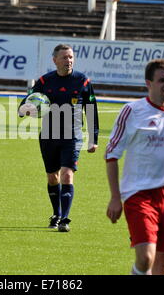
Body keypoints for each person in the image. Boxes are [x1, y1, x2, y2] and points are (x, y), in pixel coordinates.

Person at [105, 59, 164, 275]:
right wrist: (114, 196)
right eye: (162, 80)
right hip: (138, 194)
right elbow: (111, 155)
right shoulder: (132, 111)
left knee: (162, 264)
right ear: (149, 83)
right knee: (146, 257)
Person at [18, 44, 99, 232]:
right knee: (52, 177)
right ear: (55, 60)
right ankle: (56, 213)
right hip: (48, 135)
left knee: (67, 174)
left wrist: (93, 138)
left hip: (72, 135)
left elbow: (91, 110)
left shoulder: (83, 81)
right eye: (64, 57)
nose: (68, 60)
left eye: (70, 57)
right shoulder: (44, 82)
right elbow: (26, 103)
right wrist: (25, 109)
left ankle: (64, 219)